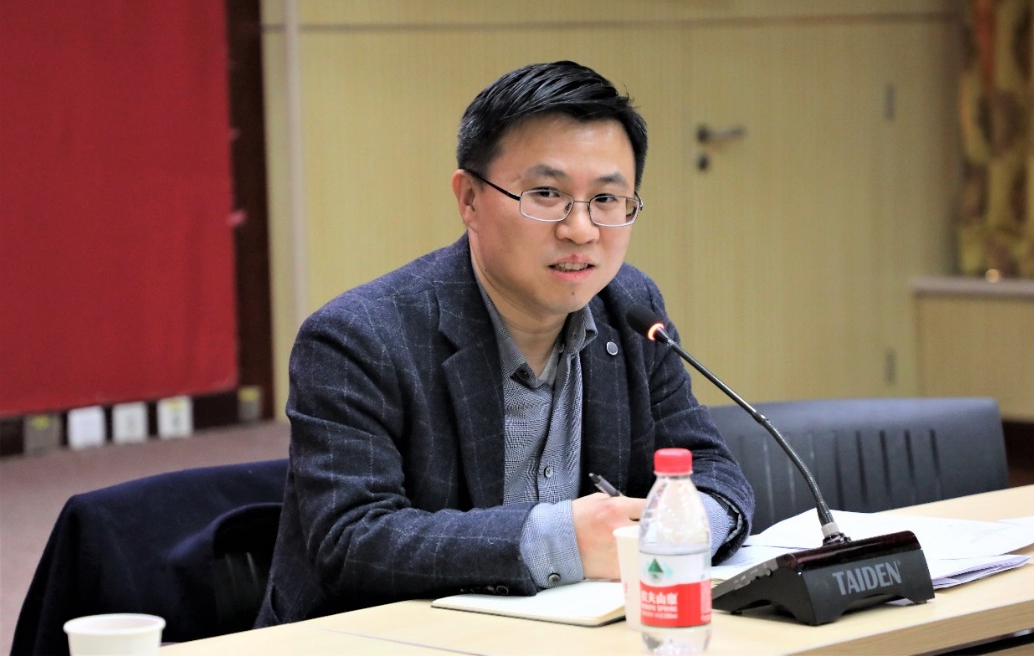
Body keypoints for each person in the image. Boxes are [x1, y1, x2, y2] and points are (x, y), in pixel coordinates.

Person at [256, 60, 754, 627]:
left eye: (607, 199)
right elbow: (352, 540)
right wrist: (563, 540)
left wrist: (687, 526)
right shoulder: (358, 338)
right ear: (469, 199)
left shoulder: (630, 308)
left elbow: (709, 469)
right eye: (546, 193)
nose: (581, 230)